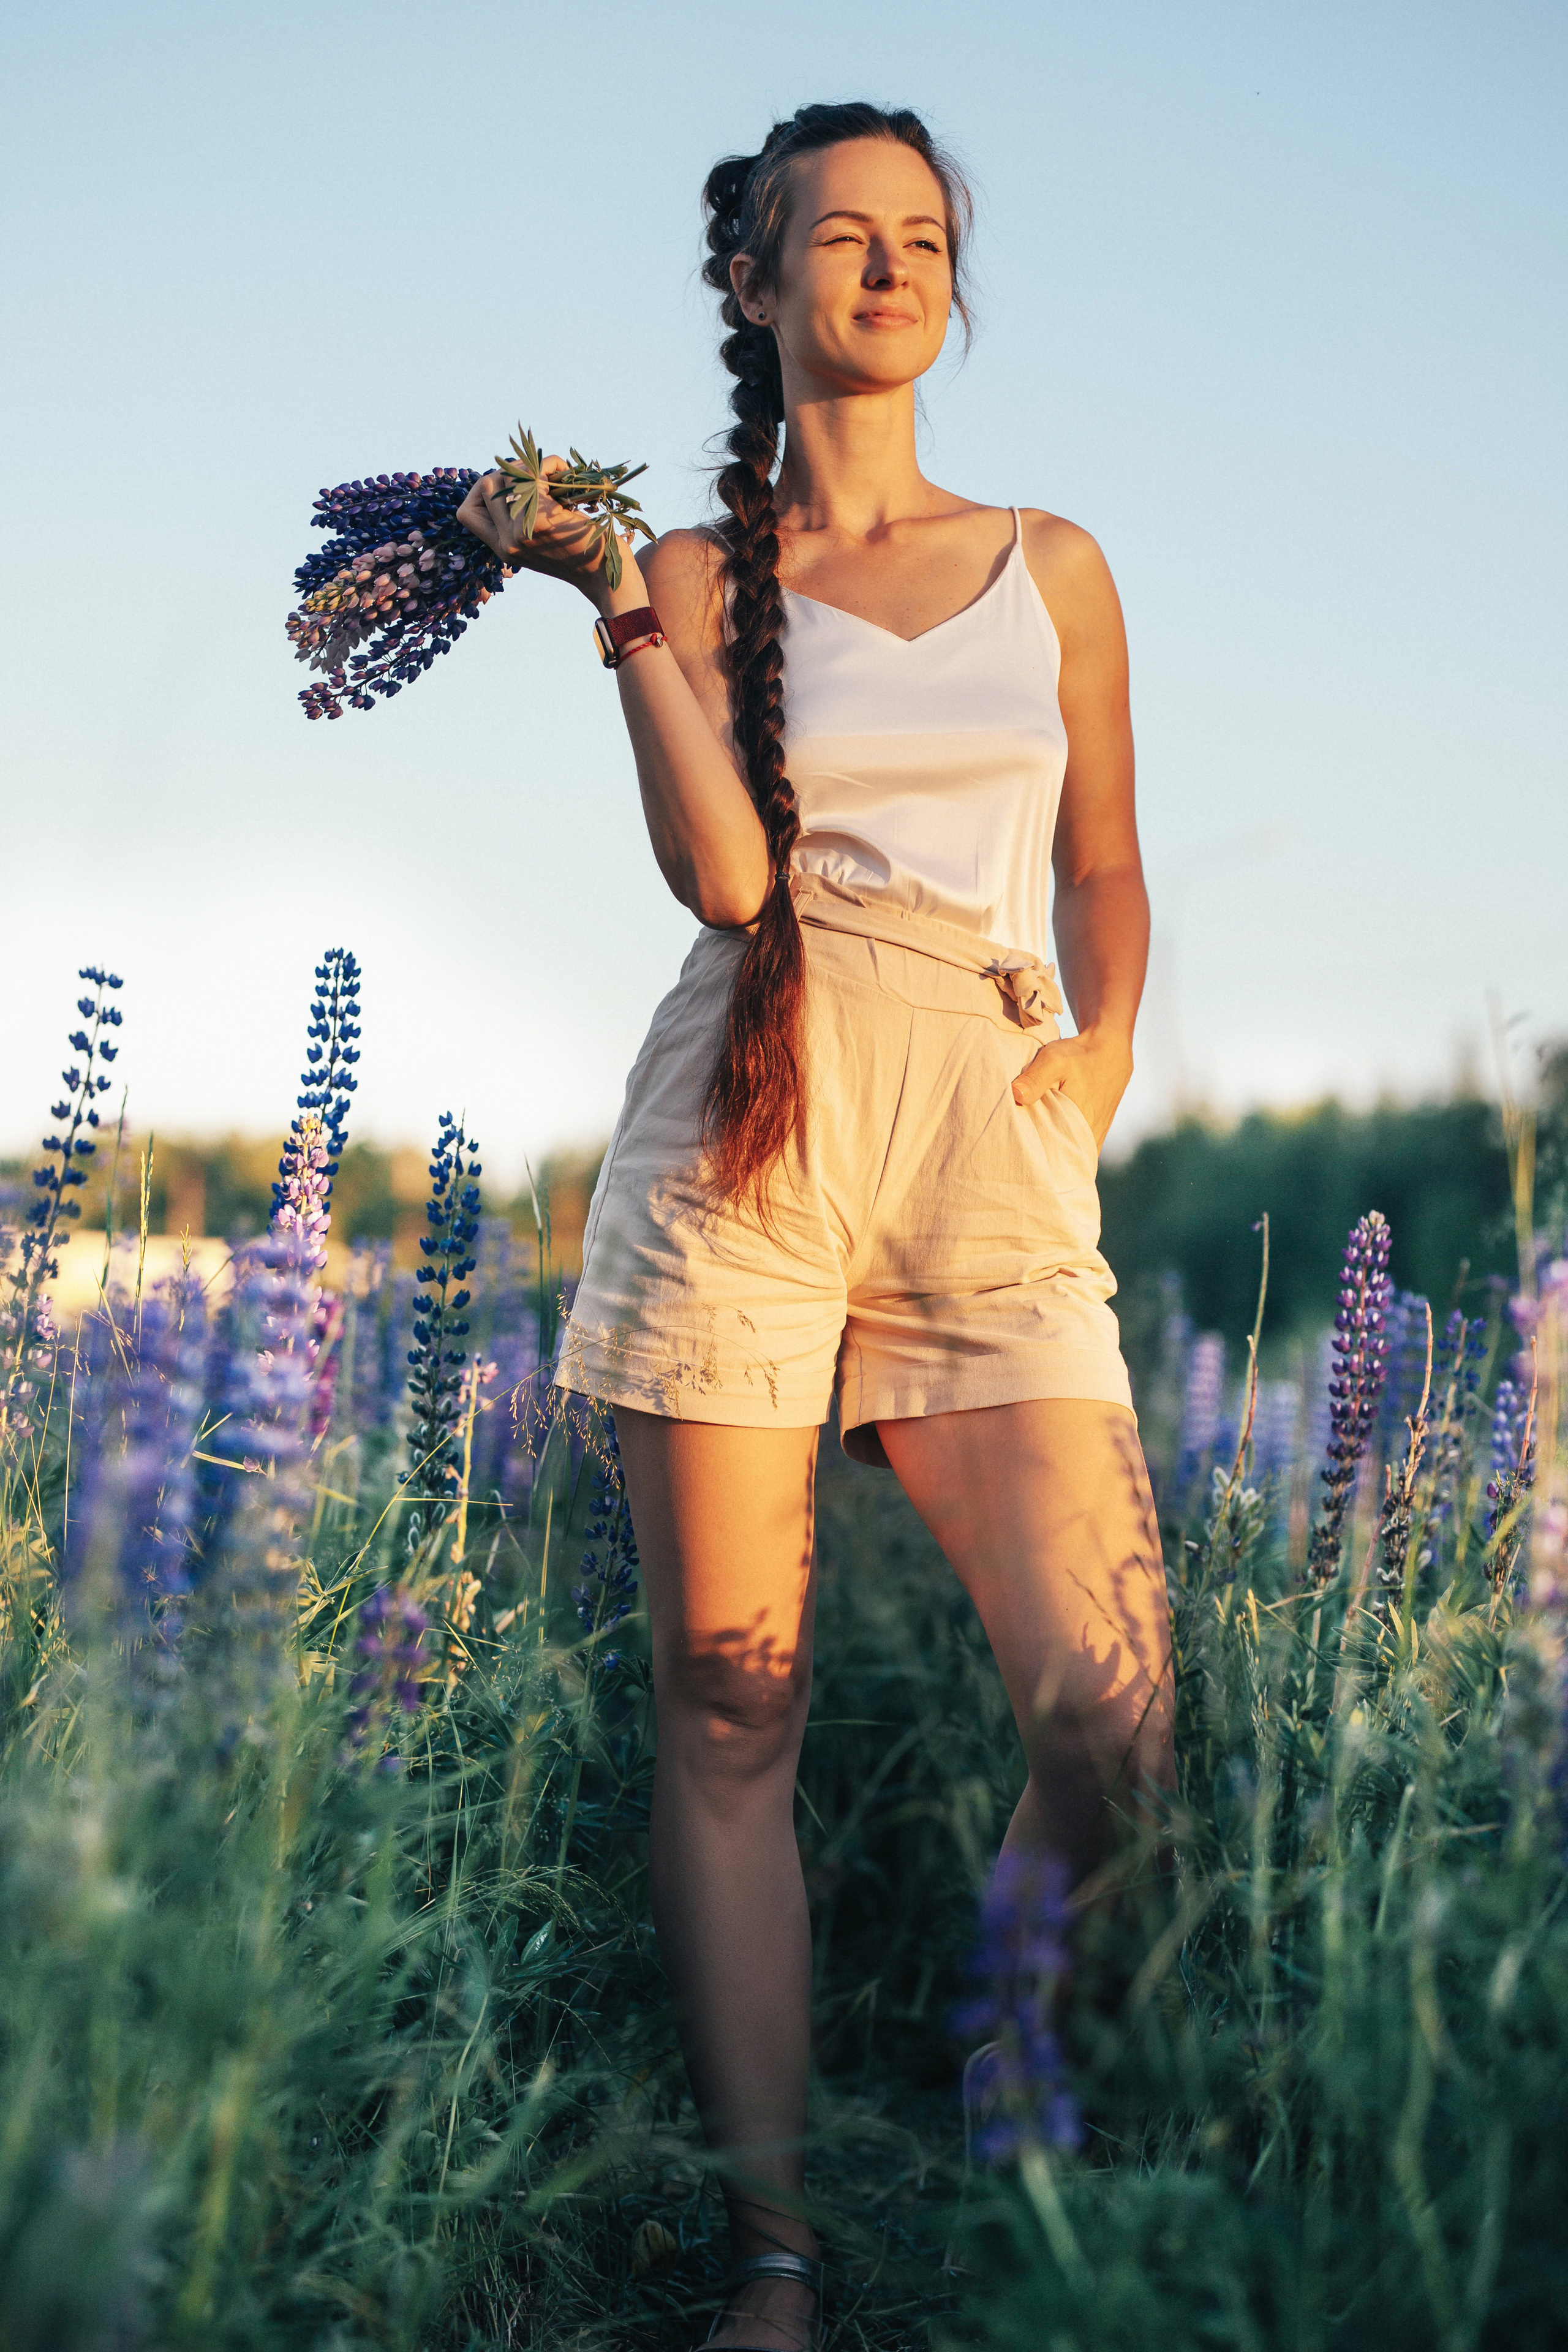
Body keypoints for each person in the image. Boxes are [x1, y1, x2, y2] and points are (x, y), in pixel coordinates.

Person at [458, 99, 1171, 2352]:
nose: (889, 266)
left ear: (956, 279)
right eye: (838, 238)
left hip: (986, 1107)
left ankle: (1010, 2046)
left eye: (925, 236)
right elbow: (731, 882)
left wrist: (1103, 1058)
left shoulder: (1052, 560)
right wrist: (603, 611)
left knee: (1120, 1717)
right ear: (752, 287)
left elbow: (1109, 860)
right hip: (749, 1108)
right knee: (728, 1703)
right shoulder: (683, 571)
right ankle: (775, 2250)